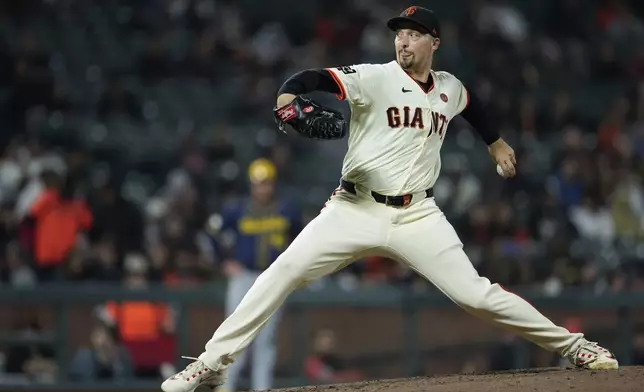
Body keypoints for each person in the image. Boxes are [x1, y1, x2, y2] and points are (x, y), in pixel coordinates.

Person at [161, 6, 618, 391]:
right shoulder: (375, 78)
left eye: (414, 35)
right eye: (399, 34)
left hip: (418, 213)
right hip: (353, 208)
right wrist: (287, 95)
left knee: (476, 296)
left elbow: (472, 105)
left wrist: (495, 143)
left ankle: (574, 346)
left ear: (434, 42)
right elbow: (312, 78)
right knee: (282, 272)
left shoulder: (448, 87)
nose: (403, 42)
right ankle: (211, 364)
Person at [208, 158, 302, 392]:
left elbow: (302, 236)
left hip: (273, 278)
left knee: (265, 339)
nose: (263, 188)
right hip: (243, 277)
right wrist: (223, 261)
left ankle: (262, 388)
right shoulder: (237, 208)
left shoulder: (286, 208)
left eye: (267, 183)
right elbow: (212, 232)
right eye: (259, 183)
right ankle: (225, 388)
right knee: (235, 334)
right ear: (252, 184)